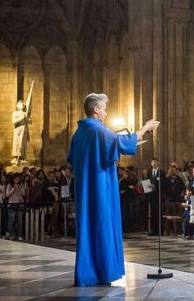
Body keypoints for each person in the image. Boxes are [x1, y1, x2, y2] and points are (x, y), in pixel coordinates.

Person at [67, 93, 159, 287]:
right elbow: (122, 143)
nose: (106, 113)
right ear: (95, 110)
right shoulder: (98, 131)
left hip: (85, 189)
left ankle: (89, 272)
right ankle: (102, 272)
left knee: (89, 227)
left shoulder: (79, 133)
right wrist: (145, 128)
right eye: (104, 109)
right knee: (103, 226)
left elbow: (73, 159)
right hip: (101, 188)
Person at [11, 100, 30, 166]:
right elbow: (13, 122)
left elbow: (30, 121)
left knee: (23, 144)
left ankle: (22, 158)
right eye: (21, 104)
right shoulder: (15, 113)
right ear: (18, 106)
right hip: (18, 131)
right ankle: (16, 158)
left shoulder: (25, 113)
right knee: (17, 144)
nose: (22, 105)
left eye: (23, 104)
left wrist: (27, 118)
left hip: (24, 131)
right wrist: (22, 118)